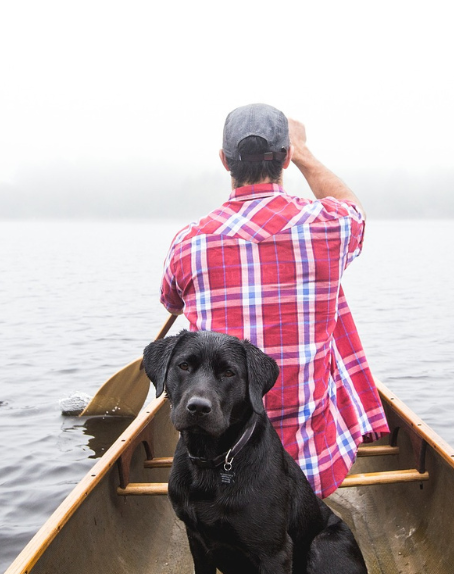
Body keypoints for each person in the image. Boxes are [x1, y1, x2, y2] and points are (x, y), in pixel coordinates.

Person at [158, 103, 388, 498]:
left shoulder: (188, 244)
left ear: (224, 161)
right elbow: (357, 211)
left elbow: (171, 302)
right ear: (286, 157)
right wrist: (305, 152)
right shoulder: (330, 226)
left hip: (219, 468)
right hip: (310, 468)